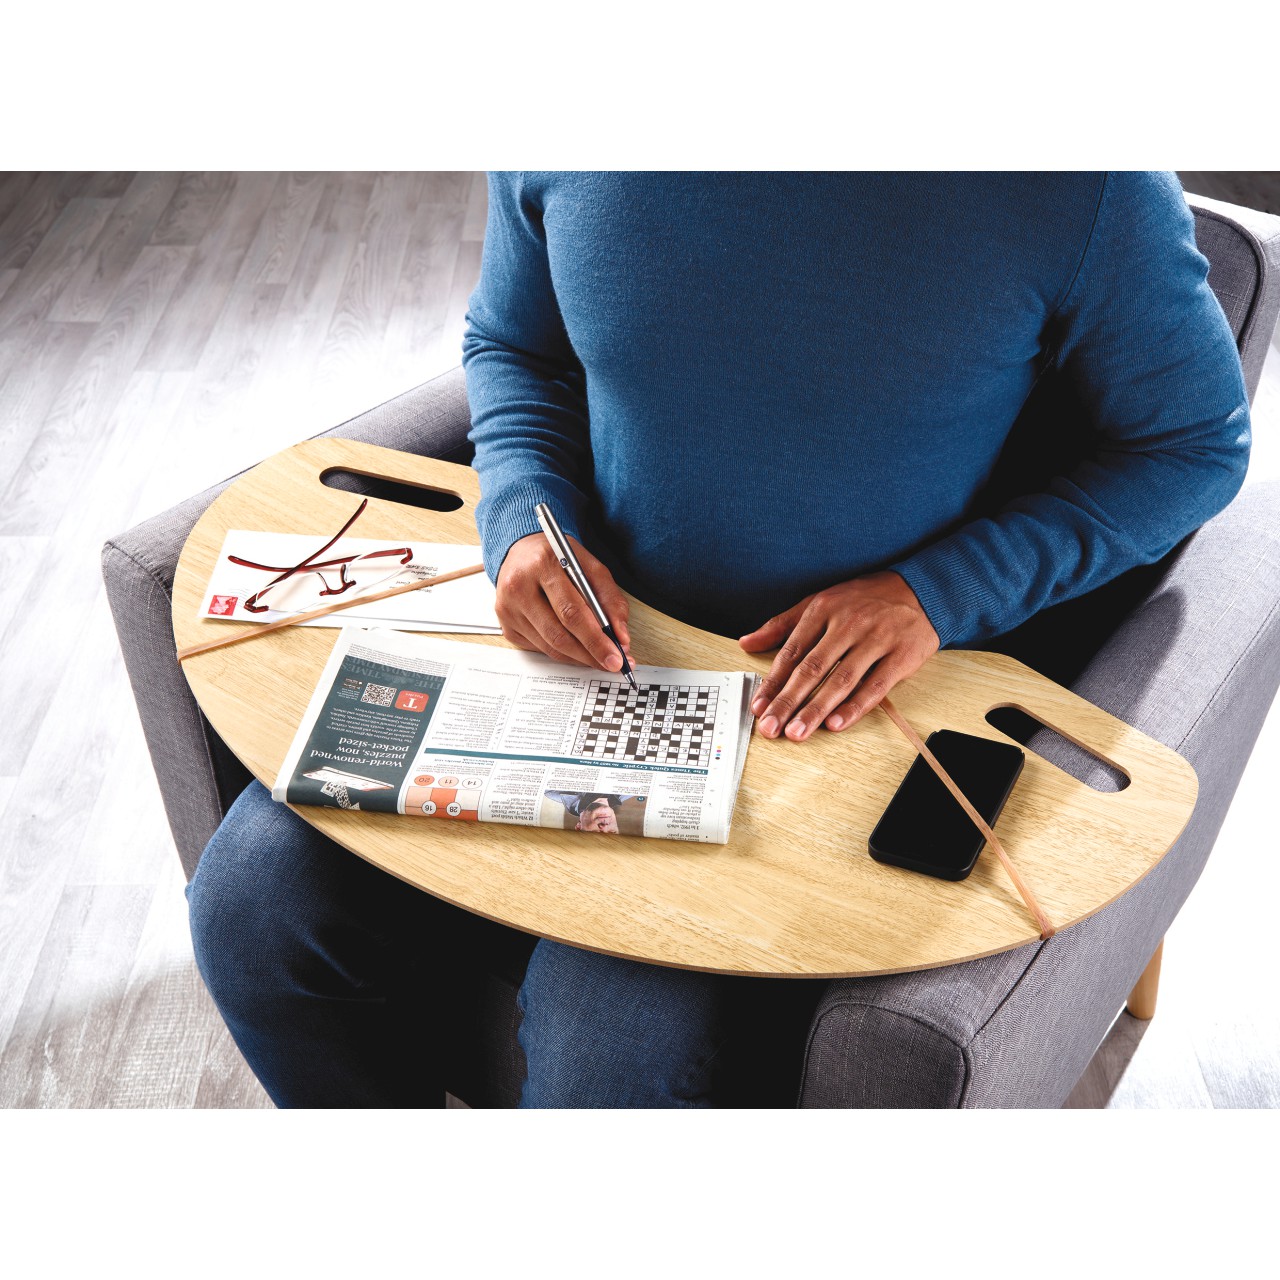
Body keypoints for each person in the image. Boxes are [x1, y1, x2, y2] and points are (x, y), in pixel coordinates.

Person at [188, 172, 1250, 1108]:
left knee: (607, 1049)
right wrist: (521, 523)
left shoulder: (1074, 178)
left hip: (817, 718)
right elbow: (515, 348)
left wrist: (932, 593)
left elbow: (1195, 441)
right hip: (577, 656)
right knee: (248, 908)